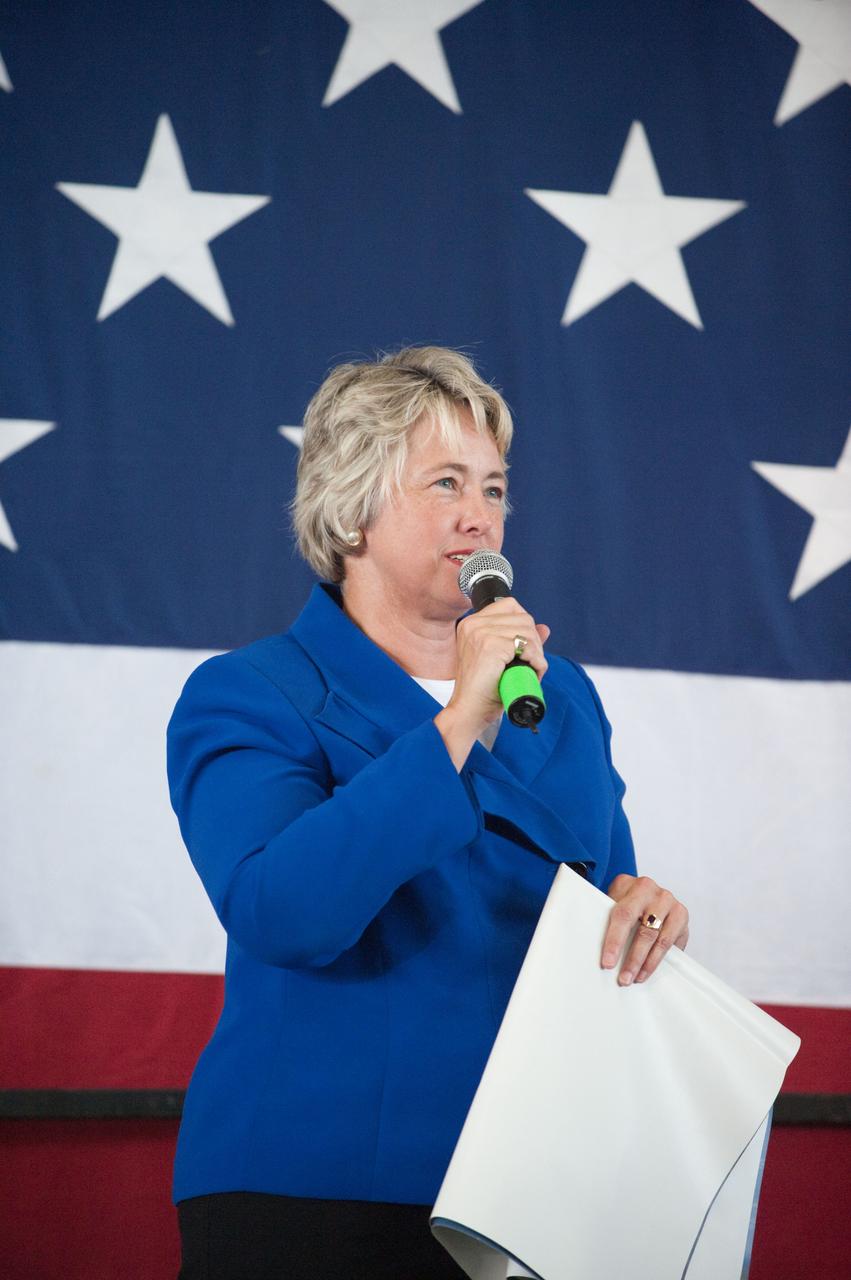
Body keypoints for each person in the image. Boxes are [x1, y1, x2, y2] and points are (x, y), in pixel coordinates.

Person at [167, 346, 689, 1279]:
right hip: (313, 1191)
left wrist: (639, 909)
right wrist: (458, 722)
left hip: (531, 1189)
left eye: (492, 488)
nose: (478, 517)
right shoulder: (248, 694)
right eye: (445, 483)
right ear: (349, 507)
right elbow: (282, 913)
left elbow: (598, 900)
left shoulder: (561, 696)